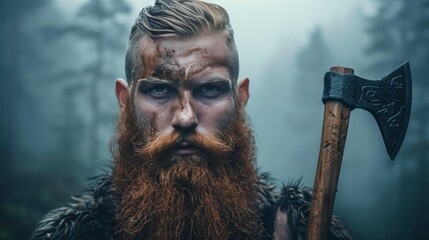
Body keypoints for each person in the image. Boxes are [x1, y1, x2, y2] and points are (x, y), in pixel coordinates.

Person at [30, 0, 352, 239]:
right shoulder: (72, 235)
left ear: (240, 100)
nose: (185, 117)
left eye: (210, 89)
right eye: (159, 90)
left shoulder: (299, 229)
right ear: (125, 102)